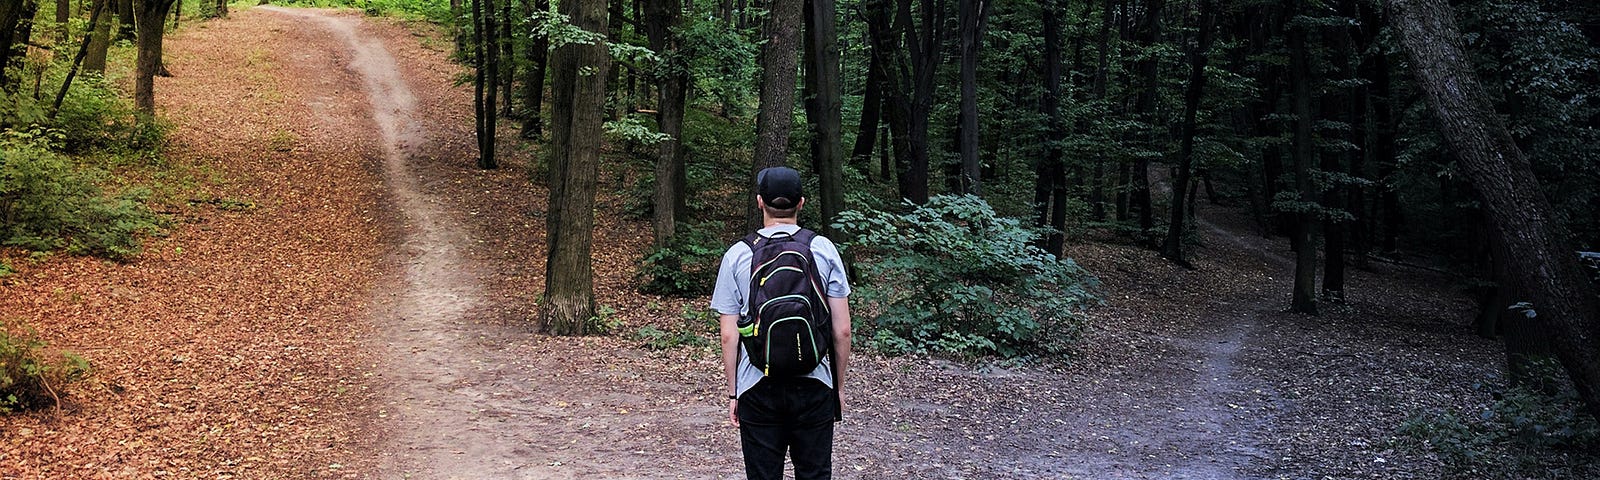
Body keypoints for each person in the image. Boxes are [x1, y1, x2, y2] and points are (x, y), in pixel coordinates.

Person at [712, 166, 853, 480]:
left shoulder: (737, 255)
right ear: (801, 203)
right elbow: (842, 330)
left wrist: (734, 393)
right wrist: (837, 388)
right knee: (814, 474)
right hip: (815, 382)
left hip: (757, 384)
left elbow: (728, 335)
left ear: (760, 202)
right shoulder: (823, 249)